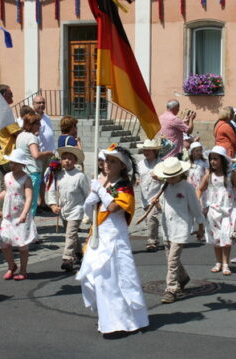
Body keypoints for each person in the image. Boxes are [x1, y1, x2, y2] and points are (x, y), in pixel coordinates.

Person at [76, 145, 149, 337]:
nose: (107, 164)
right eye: (106, 160)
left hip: (115, 238)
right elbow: (90, 213)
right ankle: (106, 317)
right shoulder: (103, 184)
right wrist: (91, 199)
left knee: (112, 280)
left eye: (113, 161)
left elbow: (115, 207)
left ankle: (119, 321)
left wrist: (100, 190)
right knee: (92, 277)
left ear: (122, 166)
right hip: (98, 236)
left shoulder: (124, 186)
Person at [152, 157, 204, 304]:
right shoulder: (165, 187)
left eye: (172, 176)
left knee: (172, 260)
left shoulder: (187, 188)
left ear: (180, 173)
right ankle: (183, 277)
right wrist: (157, 205)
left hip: (181, 227)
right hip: (167, 227)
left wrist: (200, 227)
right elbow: (165, 208)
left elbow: (196, 208)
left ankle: (171, 289)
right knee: (170, 257)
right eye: (167, 176)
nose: (170, 179)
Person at [197, 146, 236, 276]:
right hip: (213, 211)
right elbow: (200, 189)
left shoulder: (232, 174)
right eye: (211, 159)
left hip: (228, 210)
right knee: (216, 238)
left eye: (216, 159)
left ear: (222, 160)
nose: (213, 162)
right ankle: (218, 262)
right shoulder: (209, 174)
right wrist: (197, 201)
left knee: (226, 237)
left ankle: (226, 263)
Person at [0, 149, 37, 281]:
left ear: (22, 164)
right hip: (8, 213)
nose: (13, 165)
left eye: (16, 163)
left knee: (22, 245)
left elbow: (29, 198)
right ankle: (11, 265)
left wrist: (24, 214)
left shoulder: (26, 178)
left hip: (20, 214)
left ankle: (23, 270)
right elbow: (6, 192)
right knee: (3, 242)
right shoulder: (7, 176)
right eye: (11, 163)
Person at [47, 146, 89, 271]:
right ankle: (79, 253)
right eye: (64, 158)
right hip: (64, 210)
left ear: (75, 161)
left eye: (70, 159)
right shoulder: (58, 175)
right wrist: (53, 204)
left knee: (70, 234)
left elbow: (87, 193)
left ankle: (67, 259)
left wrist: (88, 209)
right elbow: (52, 190)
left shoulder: (80, 176)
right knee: (72, 234)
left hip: (77, 208)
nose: (67, 161)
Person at [15, 113, 54, 216]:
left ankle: (23, 225)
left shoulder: (20, 135)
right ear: (31, 124)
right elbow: (36, 155)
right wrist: (48, 153)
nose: (40, 126)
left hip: (23, 171)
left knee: (24, 201)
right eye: (38, 124)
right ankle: (29, 226)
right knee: (31, 202)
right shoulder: (31, 138)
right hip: (32, 171)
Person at [136, 138, 163, 252]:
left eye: (149, 150)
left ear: (155, 151)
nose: (146, 152)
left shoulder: (161, 164)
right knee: (149, 220)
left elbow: (167, 180)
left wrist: (158, 177)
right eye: (145, 150)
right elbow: (137, 175)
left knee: (151, 217)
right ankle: (155, 238)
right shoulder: (140, 164)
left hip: (156, 195)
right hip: (144, 196)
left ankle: (151, 241)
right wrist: (136, 179)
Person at [0, 84, 21, 191]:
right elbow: (17, 133)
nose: (12, 97)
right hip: (10, 156)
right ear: (4, 94)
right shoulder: (5, 111)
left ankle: (1, 208)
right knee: (12, 189)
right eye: (10, 94)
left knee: (5, 188)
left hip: (3, 155)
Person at [32, 95, 56, 210]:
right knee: (37, 180)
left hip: (49, 153)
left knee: (45, 180)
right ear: (33, 104)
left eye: (43, 102)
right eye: (38, 103)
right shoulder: (32, 119)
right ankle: (34, 203)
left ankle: (42, 201)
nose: (41, 105)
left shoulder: (46, 117)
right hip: (39, 154)